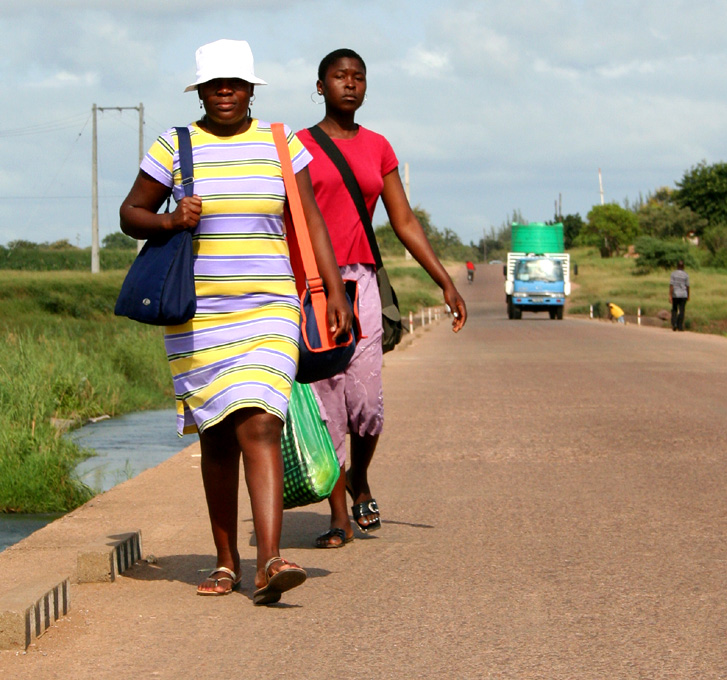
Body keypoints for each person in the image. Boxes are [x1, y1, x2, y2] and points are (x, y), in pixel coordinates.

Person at [119, 39, 353, 603]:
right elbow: (131, 214)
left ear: (250, 89)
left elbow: (311, 219)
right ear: (199, 90)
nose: (225, 92)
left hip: (270, 308)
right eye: (214, 84)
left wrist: (330, 288)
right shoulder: (174, 146)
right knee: (219, 437)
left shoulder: (282, 142)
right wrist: (173, 219)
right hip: (198, 316)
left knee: (262, 422)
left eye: (236, 83)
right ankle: (227, 562)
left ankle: (269, 560)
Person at [296, 49, 467, 548]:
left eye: (358, 77)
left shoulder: (379, 147)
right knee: (327, 397)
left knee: (365, 402)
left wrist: (445, 282)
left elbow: (404, 220)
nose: (349, 84)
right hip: (312, 285)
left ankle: (360, 478)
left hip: (363, 281)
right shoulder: (298, 145)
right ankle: (336, 516)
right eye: (339, 76)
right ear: (321, 85)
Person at [669, 260, 690, 331]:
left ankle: (674, 323)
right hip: (683, 294)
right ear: (683, 266)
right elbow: (687, 286)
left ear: (677, 266)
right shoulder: (686, 275)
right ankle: (680, 326)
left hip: (675, 294)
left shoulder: (673, 274)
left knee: (674, 309)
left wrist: (670, 295)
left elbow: (671, 285)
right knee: (682, 310)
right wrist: (688, 295)